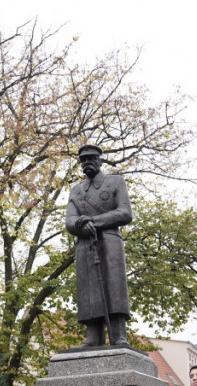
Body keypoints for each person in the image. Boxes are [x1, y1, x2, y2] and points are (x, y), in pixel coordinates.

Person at [63, 144, 133, 348]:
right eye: (83, 160)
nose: (87, 163)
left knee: (114, 286)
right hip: (85, 244)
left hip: (110, 242)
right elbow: (69, 220)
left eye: (91, 158)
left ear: (100, 160)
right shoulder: (76, 191)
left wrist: (94, 222)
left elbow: (125, 213)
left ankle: (119, 334)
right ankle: (93, 335)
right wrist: (80, 224)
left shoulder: (115, 182)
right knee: (88, 289)